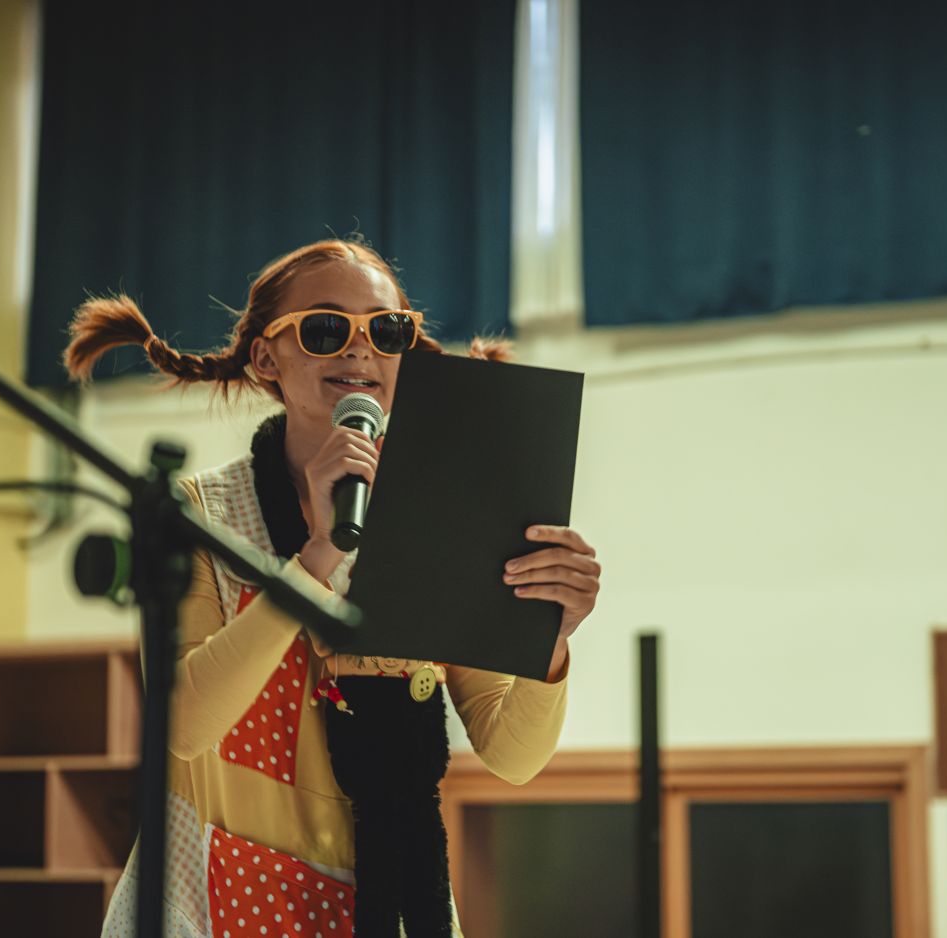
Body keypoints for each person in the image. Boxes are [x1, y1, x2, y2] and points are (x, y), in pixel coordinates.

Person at [63, 238, 601, 937]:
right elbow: (185, 726)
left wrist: (551, 638)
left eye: (386, 330)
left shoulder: (441, 520)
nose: (360, 350)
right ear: (266, 358)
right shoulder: (202, 515)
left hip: (392, 902)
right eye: (324, 329)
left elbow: (513, 756)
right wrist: (317, 555)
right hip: (218, 897)